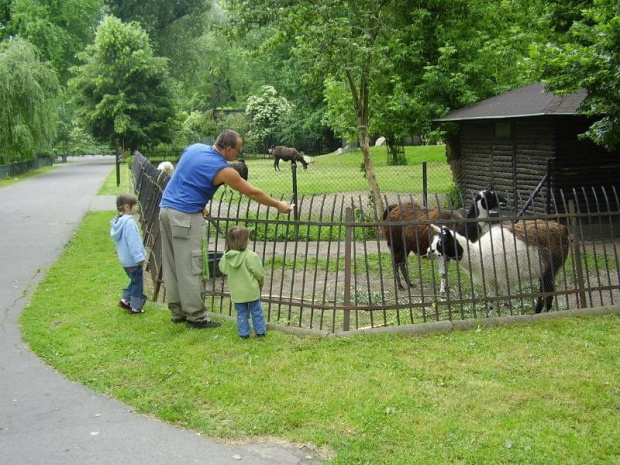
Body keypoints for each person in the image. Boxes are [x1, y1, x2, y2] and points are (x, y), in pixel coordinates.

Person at [159, 129, 293, 329]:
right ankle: (196, 318)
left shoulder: (194, 148)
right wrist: (278, 205)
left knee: (172, 264)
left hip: (165, 210)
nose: (238, 154)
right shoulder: (223, 169)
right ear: (228, 149)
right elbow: (252, 192)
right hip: (185, 216)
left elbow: (186, 176)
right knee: (190, 267)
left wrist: (198, 202)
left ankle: (177, 312)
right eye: (238, 150)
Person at [219, 226, 266, 339]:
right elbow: (259, 273)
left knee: (241, 313)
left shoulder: (227, 257)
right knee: (256, 311)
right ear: (245, 241)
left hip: (237, 293)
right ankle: (260, 332)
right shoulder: (251, 256)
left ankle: (244, 333)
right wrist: (261, 282)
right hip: (251, 290)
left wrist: (226, 254)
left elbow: (223, 269)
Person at [111, 194, 147, 314]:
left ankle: (125, 300)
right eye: (134, 205)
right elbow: (133, 243)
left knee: (134, 280)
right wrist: (139, 258)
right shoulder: (129, 224)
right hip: (133, 260)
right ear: (127, 207)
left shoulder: (118, 222)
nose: (136, 207)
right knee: (138, 283)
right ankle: (136, 307)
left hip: (125, 261)